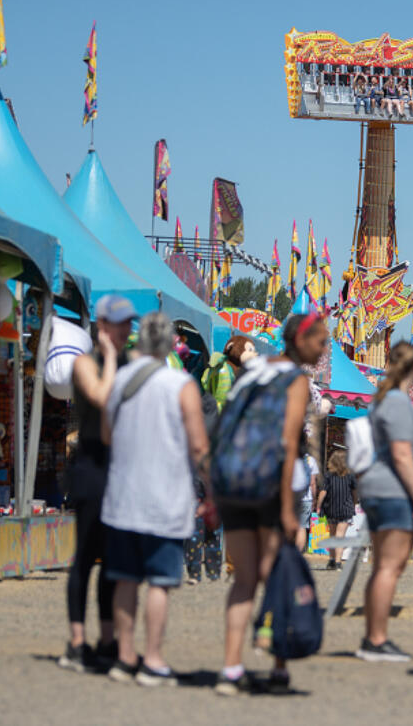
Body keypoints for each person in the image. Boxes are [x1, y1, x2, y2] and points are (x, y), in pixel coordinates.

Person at [214, 312, 328, 696]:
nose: (325, 347)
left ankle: (231, 669)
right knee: (278, 571)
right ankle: (279, 666)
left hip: (232, 482)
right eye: (320, 340)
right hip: (265, 485)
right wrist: (285, 509)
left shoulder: (256, 370)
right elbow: (286, 443)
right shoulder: (294, 380)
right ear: (301, 340)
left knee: (244, 578)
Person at [100, 312, 209, 687]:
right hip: (165, 497)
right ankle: (154, 660)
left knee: (126, 580)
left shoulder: (118, 382)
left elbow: (106, 434)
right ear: (171, 346)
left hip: (123, 497)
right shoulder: (180, 384)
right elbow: (198, 445)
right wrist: (213, 489)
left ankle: (125, 658)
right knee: (160, 583)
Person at [59, 294, 134, 672]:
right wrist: (109, 357)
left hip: (120, 467)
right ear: (102, 327)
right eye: (119, 324)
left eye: (128, 323)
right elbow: (104, 398)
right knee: (86, 556)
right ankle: (76, 642)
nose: (126, 330)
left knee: (113, 559)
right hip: (90, 466)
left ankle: (107, 639)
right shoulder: (85, 363)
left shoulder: (127, 363)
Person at [355, 342, 413, 662]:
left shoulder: (385, 400)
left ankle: (373, 637)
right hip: (394, 491)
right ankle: (377, 639)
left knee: (382, 567)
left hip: (378, 488)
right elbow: (401, 453)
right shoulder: (398, 402)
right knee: (390, 566)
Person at [316, 448, 357, 569]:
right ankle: (338, 562)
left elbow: (323, 492)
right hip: (345, 508)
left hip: (331, 507)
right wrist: (354, 504)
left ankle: (332, 560)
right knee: (340, 535)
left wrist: (318, 505)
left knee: (332, 534)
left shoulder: (328, 476)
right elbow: (355, 492)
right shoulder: (350, 476)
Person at [292, 446, 319, 553]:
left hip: (291, 496)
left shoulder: (290, 456)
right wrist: (314, 499)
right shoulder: (311, 460)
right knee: (302, 527)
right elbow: (312, 482)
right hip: (306, 497)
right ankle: (298, 553)